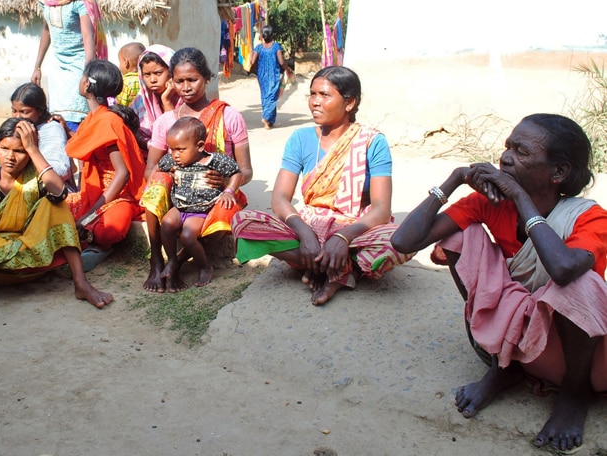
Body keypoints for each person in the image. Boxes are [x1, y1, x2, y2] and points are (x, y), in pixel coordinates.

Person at [390, 114, 607, 452]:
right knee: (460, 236)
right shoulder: (489, 203)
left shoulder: (589, 217)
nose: (505, 157)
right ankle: (502, 367)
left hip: (580, 357)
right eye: (507, 146)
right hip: (518, 341)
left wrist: (521, 199)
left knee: (582, 284)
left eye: (521, 151)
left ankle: (573, 395)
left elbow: (563, 269)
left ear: (558, 173)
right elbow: (404, 241)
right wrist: (455, 179)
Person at [232, 66, 412, 305]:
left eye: (324, 95)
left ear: (349, 103)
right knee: (241, 222)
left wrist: (343, 237)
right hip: (309, 224)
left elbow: (381, 209)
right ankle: (337, 267)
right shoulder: (300, 138)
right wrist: (305, 233)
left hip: (355, 229)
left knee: (404, 240)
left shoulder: (372, 142)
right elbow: (280, 199)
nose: (315, 102)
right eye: (312, 94)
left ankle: (323, 267)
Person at [0, 119, 112, 308]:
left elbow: (60, 193)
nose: (10, 157)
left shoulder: (34, 178)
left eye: (19, 151)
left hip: (31, 261)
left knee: (56, 205)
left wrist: (34, 149)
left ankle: (81, 284)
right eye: (5, 149)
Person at [141, 47, 252, 293]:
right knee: (155, 185)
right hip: (179, 195)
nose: (186, 87)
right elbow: (151, 169)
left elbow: (245, 170)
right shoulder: (166, 122)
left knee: (221, 212)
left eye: (193, 79)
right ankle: (156, 260)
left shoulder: (228, 116)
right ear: (171, 81)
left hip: (216, 194)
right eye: (179, 81)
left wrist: (224, 182)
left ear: (207, 78)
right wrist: (171, 178)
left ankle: (176, 262)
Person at [65, 60, 146, 271]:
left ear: (87, 85)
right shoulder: (93, 118)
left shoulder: (108, 120)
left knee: (110, 229)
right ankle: (90, 242)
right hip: (94, 193)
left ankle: (97, 243)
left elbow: (123, 174)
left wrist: (90, 214)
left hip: (118, 195)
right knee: (53, 212)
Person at [158, 117, 242, 289]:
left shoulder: (216, 161)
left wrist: (229, 190)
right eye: (172, 149)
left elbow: (237, 173)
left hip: (201, 210)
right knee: (166, 224)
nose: (175, 154)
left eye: (180, 149)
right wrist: (171, 173)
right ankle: (173, 260)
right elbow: (160, 167)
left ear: (200, 146)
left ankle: (204, 266)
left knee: (187, 236)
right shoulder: (173, 160)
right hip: (180, 206)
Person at [31, 0, 107, 131]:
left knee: (77, 116)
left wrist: (86, 73)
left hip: (78, 64)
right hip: (58, 65)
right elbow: (47, 30)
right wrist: (37, 67)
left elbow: (88, 36)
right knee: (58, 116)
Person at [0, 83, 71, 185]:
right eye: (14, 111)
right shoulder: (14, 126)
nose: (17, 117)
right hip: (10, 179)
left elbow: (61, 170)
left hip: (38, 184)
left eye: (24, 112)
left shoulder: (51, 129)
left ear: (40, 110)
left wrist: (32, 150)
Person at [130, 44, 178, 147]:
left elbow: (177, 134)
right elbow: (131, 129)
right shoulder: (140, 101)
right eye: (147, 75)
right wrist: (149, 144)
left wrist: (166, 100)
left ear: (171, 72)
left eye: (158, 73)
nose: (152, 80)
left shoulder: (184, 98)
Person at [252, 26, 292, 129]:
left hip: (262, 75)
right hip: (273, 74)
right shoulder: (276, 47)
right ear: (272, 35)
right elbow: (282, 62)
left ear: (262, 36)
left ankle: (270, 122)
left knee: (266, 96)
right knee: (273, 96)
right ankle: (266, 117)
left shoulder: (259, 48)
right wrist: (287, 69)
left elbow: (252, 62)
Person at [116, 42, 146, 107]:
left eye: (120, 62)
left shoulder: (124, 83)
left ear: (126, 63)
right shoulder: (145, 79)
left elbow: (120, 104)